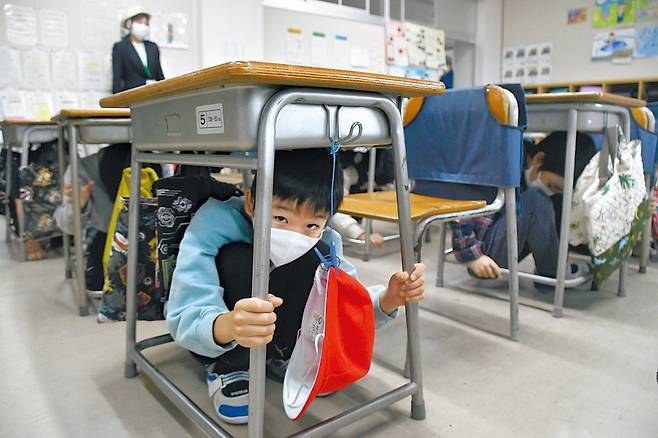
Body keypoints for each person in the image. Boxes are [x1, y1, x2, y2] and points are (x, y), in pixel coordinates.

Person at [166, 149, 426, 424]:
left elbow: (346, 301)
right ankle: (230, 366)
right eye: (281, 218)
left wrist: (388, 298)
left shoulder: (326, 239)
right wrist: (227, 326)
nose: (294, 235)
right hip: (222, 335)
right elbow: (186, 306)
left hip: (279, 332)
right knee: (240, 257)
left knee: (320, 260)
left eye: (312, 224)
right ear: (252, 203)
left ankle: (287, 355)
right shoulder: (214, 223)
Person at [450, 132, 596, 287]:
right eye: (552, 185)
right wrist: (472, 256)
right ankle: (553, 274)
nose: (551, 191)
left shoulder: (533, 167)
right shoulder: (500, 160)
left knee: (557, 199)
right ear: (538, 159)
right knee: (536, 199)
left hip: (508, 238)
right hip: (485, 255)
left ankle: (553, 270)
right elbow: (460, 207)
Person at [54, 144, 165, 295]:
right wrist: (77, 207)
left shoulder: (162, 163)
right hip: (106, 236)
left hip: (154, 235)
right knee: (103, 285)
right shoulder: (82, 170)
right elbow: (68, 227)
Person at [111, 5, 165, 94]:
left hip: (154, 95)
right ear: (129, 24)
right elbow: (117, 81)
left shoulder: (153, 47)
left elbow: (160, 76)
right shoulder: (120, 47)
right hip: (133, 97)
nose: (143, 26)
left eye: (146, 23)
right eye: (140, 22)